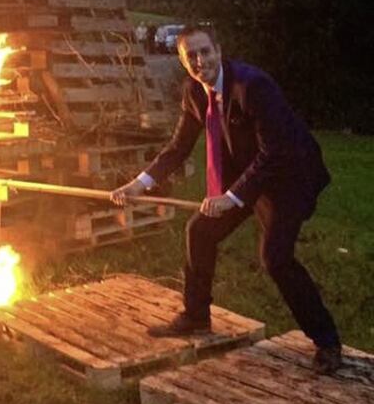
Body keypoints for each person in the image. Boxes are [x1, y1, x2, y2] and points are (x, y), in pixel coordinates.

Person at [109, 24, 342, 374]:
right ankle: (196, 316)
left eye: (206, 51)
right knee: (200, 231)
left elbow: (275, 153)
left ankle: (327, 342)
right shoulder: (193, 91)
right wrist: (139, 184)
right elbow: (178, 148)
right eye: (192, 56)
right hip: (248, 171)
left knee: (276, 258)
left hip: (288, 175)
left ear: (219, 49)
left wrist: (232, 197)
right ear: (182, 61)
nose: (200, 61)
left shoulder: (252, 86)